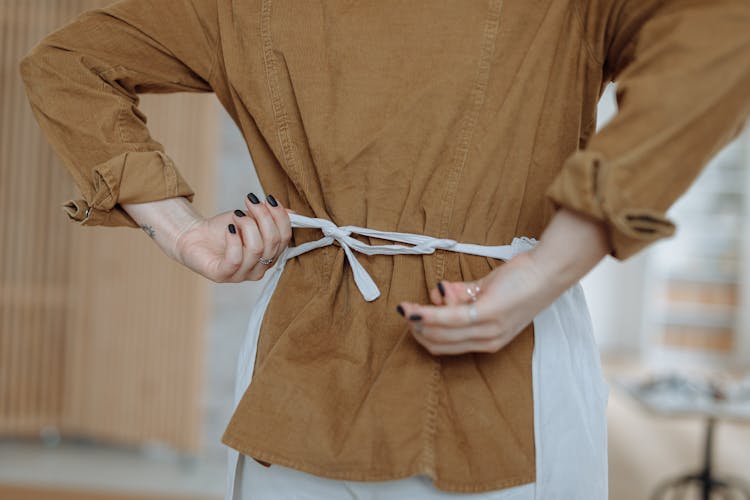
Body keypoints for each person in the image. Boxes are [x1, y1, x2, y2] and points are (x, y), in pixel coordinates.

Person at [18, 0, 750, 498]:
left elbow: (66, 63)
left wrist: (181, 232)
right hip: (491, 334)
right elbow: (725, 34)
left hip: (312, 359)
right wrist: (543, 271)